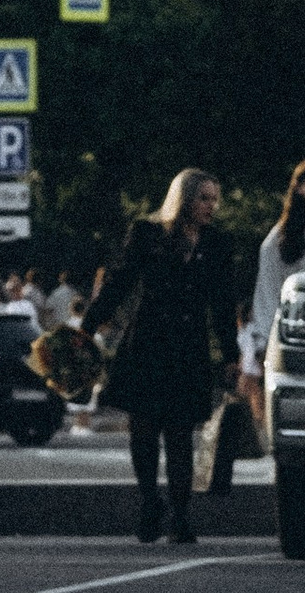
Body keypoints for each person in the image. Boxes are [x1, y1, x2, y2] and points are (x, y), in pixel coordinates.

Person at [86, 170, 236, 544]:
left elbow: (222, 303)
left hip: (188, 348)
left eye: (214, 199)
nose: (211, 207)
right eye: (204, 198)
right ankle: (150, 502)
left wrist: (230, 353)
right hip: (148, 342)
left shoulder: (216, 243)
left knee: (181, 433)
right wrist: (88, 324)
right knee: (144, 430)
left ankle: (181, 515)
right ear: (184, 199)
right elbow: (120, 282)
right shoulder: (148, 234)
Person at [251, 154, 305, 355]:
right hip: (298, 339)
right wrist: (264, 345)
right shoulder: (279, 240)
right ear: (300, 187)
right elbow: (267, 294)